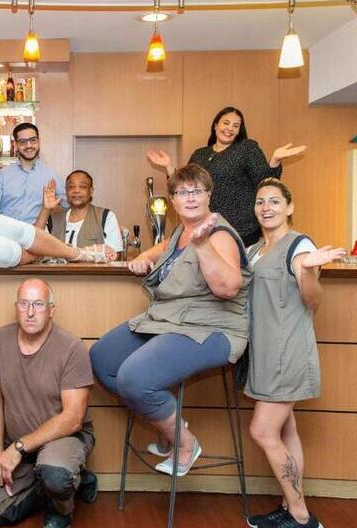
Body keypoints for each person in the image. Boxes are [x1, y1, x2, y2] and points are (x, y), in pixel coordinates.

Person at [89, 164, 251, 477]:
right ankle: (170, 427)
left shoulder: (219, 235)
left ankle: (184, 442)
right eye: (182, 192)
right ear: (173, 201)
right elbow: (163, 249)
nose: (190, 198)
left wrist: (203, 246)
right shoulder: (180, 232)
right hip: (168, 320)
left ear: (209, 195)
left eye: (197, 191)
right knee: (103, 359)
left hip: (211, 328)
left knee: (134, 378)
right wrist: (143, 258)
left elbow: (228, 288)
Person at [244, 179, 344, 528]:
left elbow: (313, 300)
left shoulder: (300, 246)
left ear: (289, 207)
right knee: (287, 430)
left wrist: (308, 271)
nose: (266, 207)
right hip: (264, 356)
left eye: (274, 201)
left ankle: (301, 516)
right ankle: (289, 505)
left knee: (262, 431)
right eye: (260, 201)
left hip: (287, 354)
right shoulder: (254, 250)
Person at [0, 279, 96, 528]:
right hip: (18, 446)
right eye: (24, 303)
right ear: (16, 307)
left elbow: (73, 418)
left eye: (39, 304)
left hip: (62, 439)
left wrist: (18, 448)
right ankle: (65, 483)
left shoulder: (72, 347)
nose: (30, 312)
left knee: (56, 475)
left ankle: (62, 504)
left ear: (51, 309)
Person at [147, 106, 305, 246]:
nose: (230, 128)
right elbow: (186, 185)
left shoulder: (246, 148)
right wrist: (168, 166)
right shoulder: (200, 154)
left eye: (236, 126)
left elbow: (265, 183)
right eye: (226, 123)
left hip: (242, 230)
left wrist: (275, 160)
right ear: (216, 125)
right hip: (207, 227)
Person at [0, 123, 66, 223]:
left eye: (33, 140)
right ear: (15, 145)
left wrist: (53, 209)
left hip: (38, 232)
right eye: (23, 142)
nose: (29, 145)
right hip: (7, 231)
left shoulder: (51, 176)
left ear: (39, 141)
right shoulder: (2, 175)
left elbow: (67, 206)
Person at [35, 170, 121, 259]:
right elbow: (34, 244)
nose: (76, 191)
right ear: (66, 191)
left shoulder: (106, 216)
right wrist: (45, 209)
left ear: (91, 191)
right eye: (71, 187)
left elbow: (115, 255)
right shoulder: (53, 219)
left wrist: (82, 254)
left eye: (82, 187)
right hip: (57, 268)